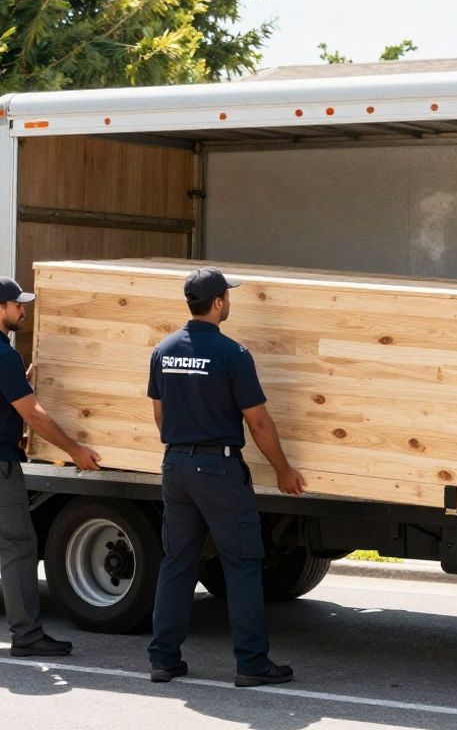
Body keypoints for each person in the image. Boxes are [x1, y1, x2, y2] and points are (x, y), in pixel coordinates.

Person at [146, 267, 307, 686]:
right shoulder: (232, 354)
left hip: (175, 465)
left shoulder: (163, 350)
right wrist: (283, 469)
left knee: (177, 562)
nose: (229, 302)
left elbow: (159, 414)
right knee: (242, 563)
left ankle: (164, 659)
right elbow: (258, 422)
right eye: (228, 297)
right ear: (218, 303)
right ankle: (252, 664)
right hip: (217, 469)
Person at [0, 276, 102, 657]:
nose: (22, 310)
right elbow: (35, 415)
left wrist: (21, 381)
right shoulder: (1, 354)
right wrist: (75, 449)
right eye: (17, 305)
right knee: (19, 546)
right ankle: (27, 636)